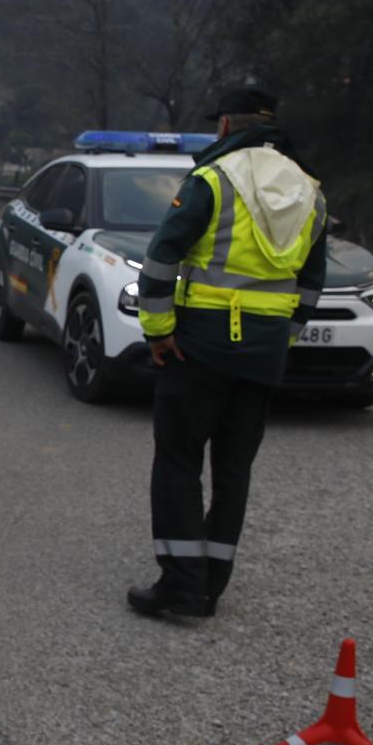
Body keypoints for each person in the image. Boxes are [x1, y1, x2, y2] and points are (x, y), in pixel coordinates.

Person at [127, 87, 326, 618]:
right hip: (261, 356)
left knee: (178, 462)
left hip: (199, 348)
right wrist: (283, 335)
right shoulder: (309, 190)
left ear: (223, 128)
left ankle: (180, 586)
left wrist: (158, 329)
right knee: (234, 470)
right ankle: (212, 585)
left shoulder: (213, 180)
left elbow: (162, 256)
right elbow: (311, 281)